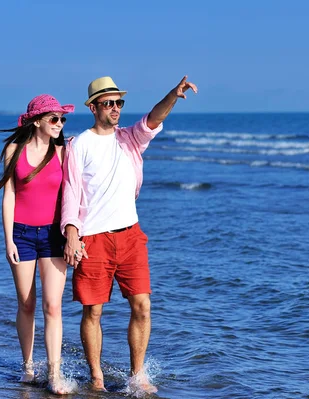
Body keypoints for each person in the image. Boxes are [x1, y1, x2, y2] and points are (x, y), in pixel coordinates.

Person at [60, 75, 198, 392]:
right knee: (93, 310)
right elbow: (70, 191)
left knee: (142, 306)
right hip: (93, 238)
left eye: (119, 102)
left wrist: (173, 95)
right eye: (109, 103)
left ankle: (137, 376)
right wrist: (70, 232)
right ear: (94, 107)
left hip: (131, 236)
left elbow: (154, 118)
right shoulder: (79, 145)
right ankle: (97, 377)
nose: (116, 108)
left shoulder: (130, 139)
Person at [0, 94, 76, 395]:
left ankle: (54, 373)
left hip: (54, 236)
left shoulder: (65, 153)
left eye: (62, 119)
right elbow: (9, 196)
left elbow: (75, 195)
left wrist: (76, 234)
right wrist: (8, 240)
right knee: (27, 304)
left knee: (53, 306)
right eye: (54, 118)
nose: (60, 124)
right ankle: (28, 367)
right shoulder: (14, 150)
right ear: (37, 120)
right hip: (22, 235)